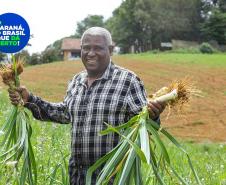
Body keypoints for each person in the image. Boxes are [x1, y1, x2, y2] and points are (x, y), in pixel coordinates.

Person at [7, 27, 165, 185]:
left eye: (98, 48)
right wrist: (29, 100)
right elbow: (64, 113)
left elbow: (143, 127)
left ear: (110, 50)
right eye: (86, 48)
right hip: (77, 176)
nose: (90, 53)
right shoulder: (76, 81)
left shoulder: (128, 81)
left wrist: (154, 115)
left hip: (112, 177)